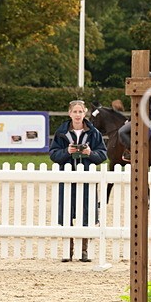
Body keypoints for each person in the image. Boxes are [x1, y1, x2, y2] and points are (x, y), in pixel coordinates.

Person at [49, 99, 108, 262]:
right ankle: (67, 250)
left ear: (85, 113)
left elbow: (102, 155)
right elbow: (53, 154)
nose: (77, 115)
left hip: (87, 179)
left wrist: (90, 153)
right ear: (70, 113)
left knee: (87, 215)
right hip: (67, 179)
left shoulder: (94, 133)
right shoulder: (61, 132)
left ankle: (84, 251)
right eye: (74, 112)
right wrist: (66, 151)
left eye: (80, 112)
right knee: (66, 213)